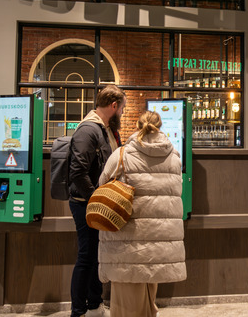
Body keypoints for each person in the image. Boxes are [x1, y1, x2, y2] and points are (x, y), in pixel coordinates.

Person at [97, 111, 186, 317]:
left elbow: (102, 184)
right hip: (157, 238)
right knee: (148, 284)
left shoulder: (122, 154)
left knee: (126, 294)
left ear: (138, 126)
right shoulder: (174, 157)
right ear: (160, 127)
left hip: (127, 236)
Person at [69, 85, 126, 317]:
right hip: (86, 203)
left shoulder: (107, 130)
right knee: (86, 256)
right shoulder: (88, 130)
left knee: (96, 256)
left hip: (96, 203)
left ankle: (94, 304)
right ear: (113, 106)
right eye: (122, 108)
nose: (122, 113)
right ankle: (78, 310)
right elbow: (77, 171)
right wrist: (97, 200)